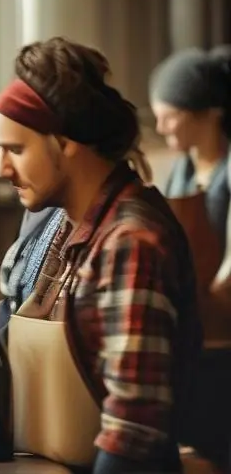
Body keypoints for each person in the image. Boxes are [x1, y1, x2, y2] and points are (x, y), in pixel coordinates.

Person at [0, 37, 202, 473]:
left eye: (15, 149)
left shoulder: (130, 241)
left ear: (66, 141)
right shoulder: (67, 229)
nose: (1, 168)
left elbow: (133, 432)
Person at [149, 46, 231, 470]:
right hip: (189, 325)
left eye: (170, 115)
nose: (160, 125)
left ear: (209, 113)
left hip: (220, 331)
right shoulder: (180, 169)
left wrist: (205, 306)